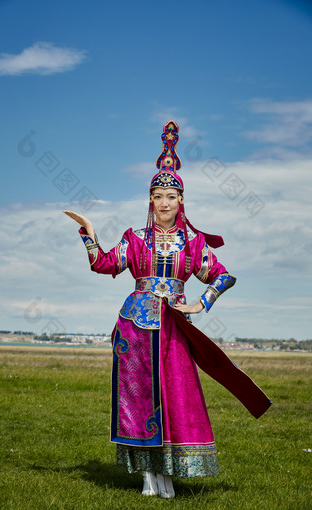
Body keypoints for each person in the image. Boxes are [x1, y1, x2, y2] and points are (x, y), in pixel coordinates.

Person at [64, 121, 271, 499]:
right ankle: (146, 473)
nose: (163, 203)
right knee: (139, 400)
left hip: (173, 327)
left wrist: (199, 303)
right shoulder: (135, 238)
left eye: (170, 197)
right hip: (135, 329)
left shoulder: (192, 244)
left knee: (174, 396)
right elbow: (104, 265)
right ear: (150, 201)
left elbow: (223, 277)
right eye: (157, 196)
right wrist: (88, 232)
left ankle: (167, 471)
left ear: (180, 202)